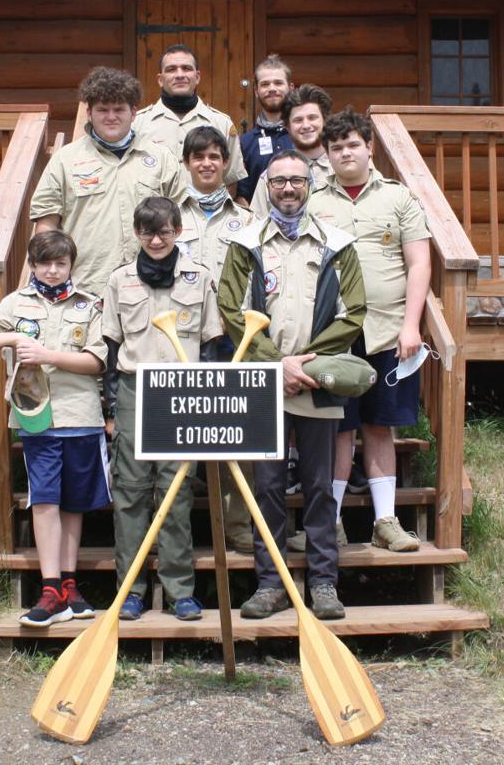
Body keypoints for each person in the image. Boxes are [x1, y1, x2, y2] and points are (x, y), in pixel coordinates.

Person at [216, 150, 367, 621]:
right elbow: (231, 312)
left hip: (317, 378)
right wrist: (276, 365)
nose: (287, 188)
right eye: (278, 181)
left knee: (320, 485)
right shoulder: (245, 244)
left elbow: (354, 312)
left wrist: (305, 363)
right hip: (265, 380)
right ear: (265, 186)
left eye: (296, 181)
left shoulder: (337, 244)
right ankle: (270, 582)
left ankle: (324, 582)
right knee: (268, 486)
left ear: (309, 186)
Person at [0, 230, 108, 627]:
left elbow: (97, 362)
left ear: (71, 266)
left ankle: (68, 584)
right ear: (32, 265)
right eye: (44, 263)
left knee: (75, 503)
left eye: (60, 263)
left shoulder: (89, 306)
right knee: (45, 499)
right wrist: (11, 337)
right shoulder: (16, 304)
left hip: (80, 416)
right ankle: (49, 589)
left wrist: (49, 355)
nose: (51, 270)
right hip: (37, 417)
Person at [307, 109, 431, 552]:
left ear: (369, 147)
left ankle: (385, 521)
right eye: (336, 147)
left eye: (352, 145)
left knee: (380, 425)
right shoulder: (315, 201)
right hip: (335, 334)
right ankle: (331, 522)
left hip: (388, 330)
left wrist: (411, 325)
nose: (344, 153)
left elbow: (419, 263)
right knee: (338, 426)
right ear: (327, 154)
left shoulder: (398, 199)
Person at [103, 196, 226, 622]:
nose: (156, 240)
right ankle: (130, 589)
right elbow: (111, 348)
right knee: (132, 493)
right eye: (148, 232)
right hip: (136, 390)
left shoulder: (199, 277)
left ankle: (181, 590)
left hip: (183, 391)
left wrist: (206, 399)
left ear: (178, 232)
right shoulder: (120, 281)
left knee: (176, 492)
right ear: (137, 234)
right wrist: (110, 410)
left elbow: (211, 345)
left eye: (165, 231)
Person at [175, 124, 258, 554]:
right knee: (179, 436)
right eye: (198, 156)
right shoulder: (167, 217)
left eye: (214, 156)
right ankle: (176, 532)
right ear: (186, 163)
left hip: (231, 339)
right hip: (182, 339)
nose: (206, 163)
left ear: (226, 164)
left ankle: (238, 526)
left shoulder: (248, 222)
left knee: (236, 435)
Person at [30, 66, 185, 294]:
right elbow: (46, 225)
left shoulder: (161, 158)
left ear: (133, 113)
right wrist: (50, 276)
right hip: (87, 287)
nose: (111, 117)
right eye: (103, 110)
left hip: (153, 285)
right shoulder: (65, 160)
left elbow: (185, 218)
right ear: (89, 113)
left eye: (119, 109)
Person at [132, 44, 246, 187]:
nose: (180, 75)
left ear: (197, 76)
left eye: (186, 68)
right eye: (171, 69)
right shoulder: (137, 124)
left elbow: (231, 181)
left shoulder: (221, 124)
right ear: (160, 79)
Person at [247, 83, 333, 215]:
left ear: (325, 121)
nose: (306, 125)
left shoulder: (343, 169)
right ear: (287, 127)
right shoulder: (270, 176)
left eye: (312, 118)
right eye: (298, 120)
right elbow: (257, 228)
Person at [234, 54, 293, 206]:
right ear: (256, 90)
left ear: (291, 88)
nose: (272, 88)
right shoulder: (244, 143)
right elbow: (242, 196)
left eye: (278, 83)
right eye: (265, 84)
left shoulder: (305, 136)